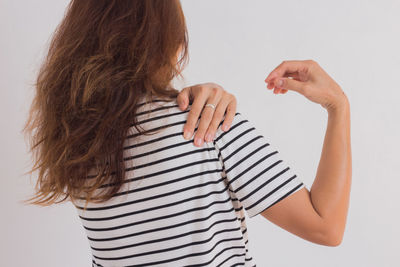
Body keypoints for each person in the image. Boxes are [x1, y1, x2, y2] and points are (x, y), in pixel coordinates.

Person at [22, 1, 352, 266]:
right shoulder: (207, 128)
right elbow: (326, 227)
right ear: (171, 43)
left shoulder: (74, 147)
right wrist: (338, 106)